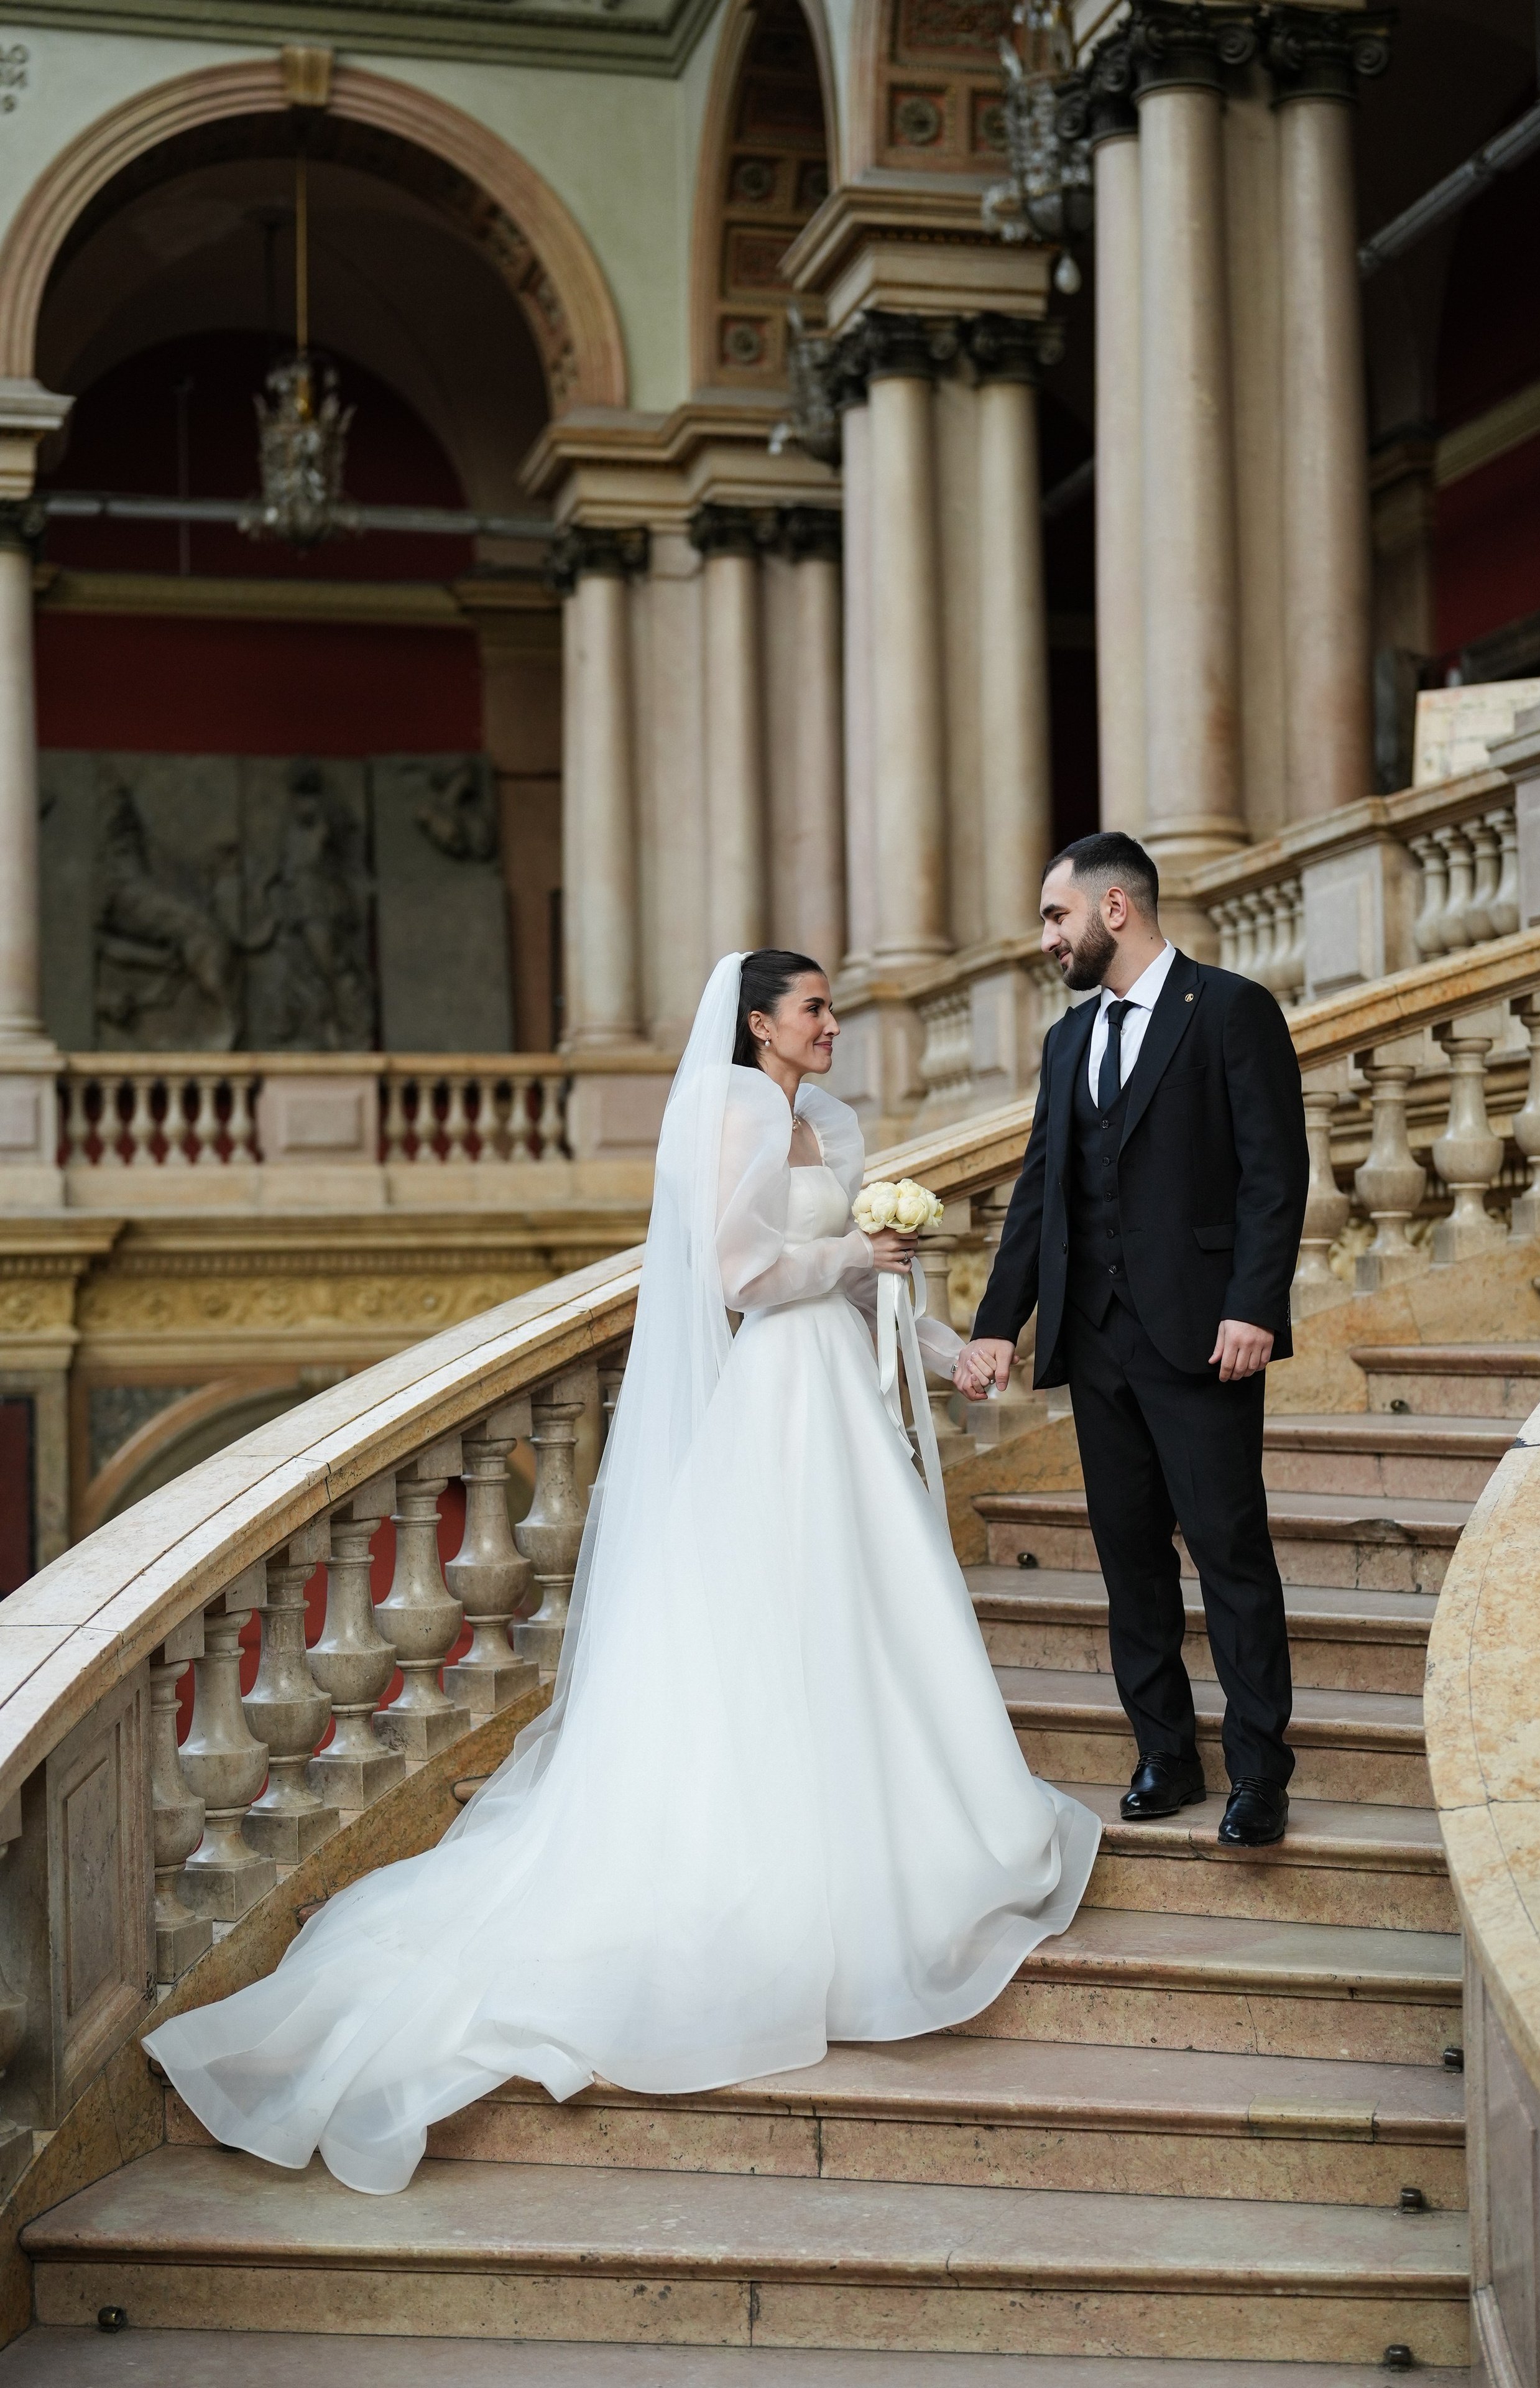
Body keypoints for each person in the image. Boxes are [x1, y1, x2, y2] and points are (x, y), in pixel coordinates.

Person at [146, 949, 1100, 2194]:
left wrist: (943, 1347)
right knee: (778, 1633)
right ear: (758, 1023)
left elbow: (861, 1290)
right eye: (812, 1009)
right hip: (778, 1408)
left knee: (862, 1630)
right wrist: (859, 1260)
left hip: (840, 1405)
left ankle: (888, 1851)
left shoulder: (827, 1120)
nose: (831, 1025)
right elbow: (744, 1276)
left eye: (828, 1007)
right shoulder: (734, 1108)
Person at [956, 835, 1309, 1850]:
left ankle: (1259, 1773)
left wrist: (1254, 1305)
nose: (1046, 939)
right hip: (1099, 1339)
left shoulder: (1231, 1008)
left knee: (1230, 1552)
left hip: (1205, 1335)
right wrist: (998, 1324)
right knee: (1129, 1559)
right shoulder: (1067, 1040)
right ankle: (1166, 1754)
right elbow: (1040, 1192)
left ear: (1116, 908)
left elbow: (1274, 1173)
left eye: (1055, 916)